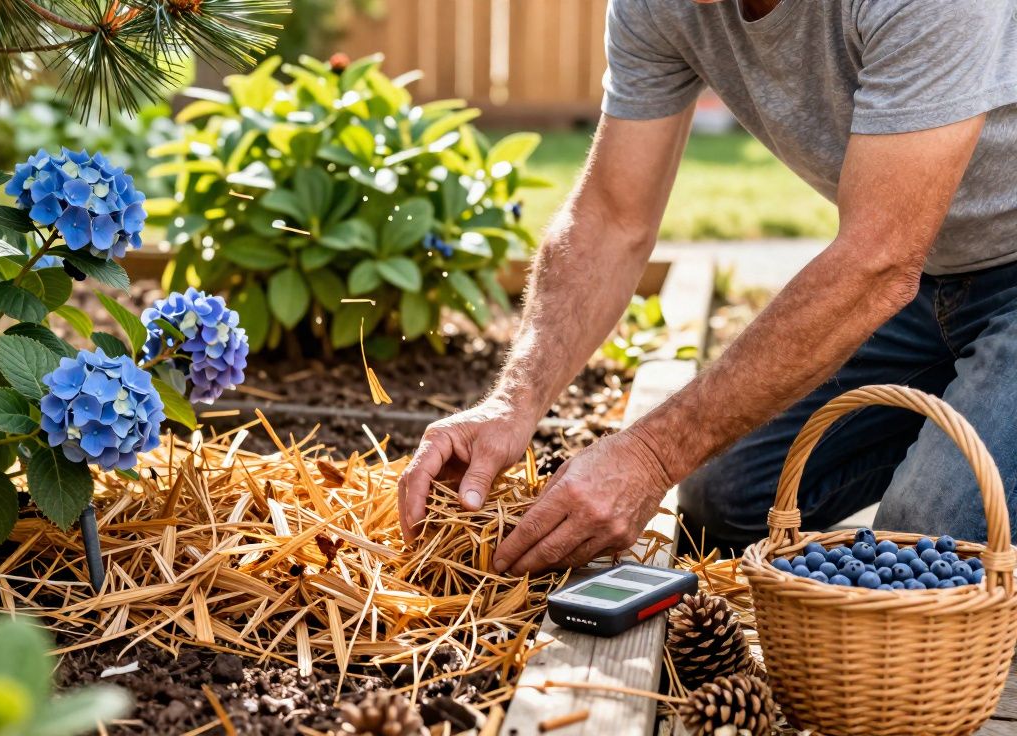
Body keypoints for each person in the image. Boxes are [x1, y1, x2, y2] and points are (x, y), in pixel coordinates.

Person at [398, 0, 1017, 574]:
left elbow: (876, 261)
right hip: (927, 275)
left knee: (934, 543)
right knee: (721, 500)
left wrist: (650, 453)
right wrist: (515, 403)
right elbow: (612, 216)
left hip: (947, 269)